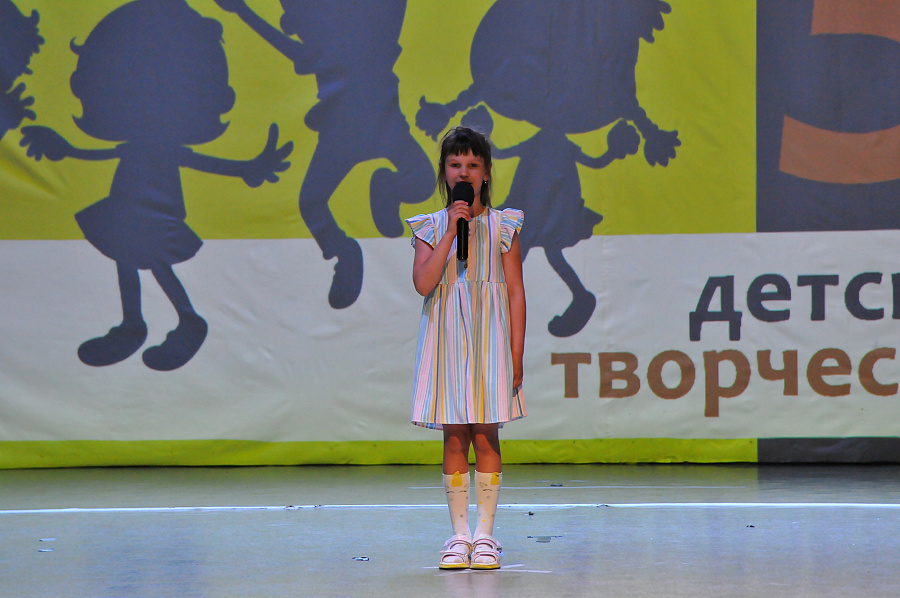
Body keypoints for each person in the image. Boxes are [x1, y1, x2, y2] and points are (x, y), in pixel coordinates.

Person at [406, 126, 526, 570]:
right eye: (455, 164)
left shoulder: (503, 225)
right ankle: (459, 537)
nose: (464, 172)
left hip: (489, 339)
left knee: (485, 433)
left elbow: (515, 292)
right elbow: (424, 283)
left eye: (473, 165)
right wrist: (451, 230)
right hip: (446, 342)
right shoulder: (430, 227)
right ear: (444, 172)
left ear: (486, 173)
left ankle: (485, 536)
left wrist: (516, 354)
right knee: (455, 434)